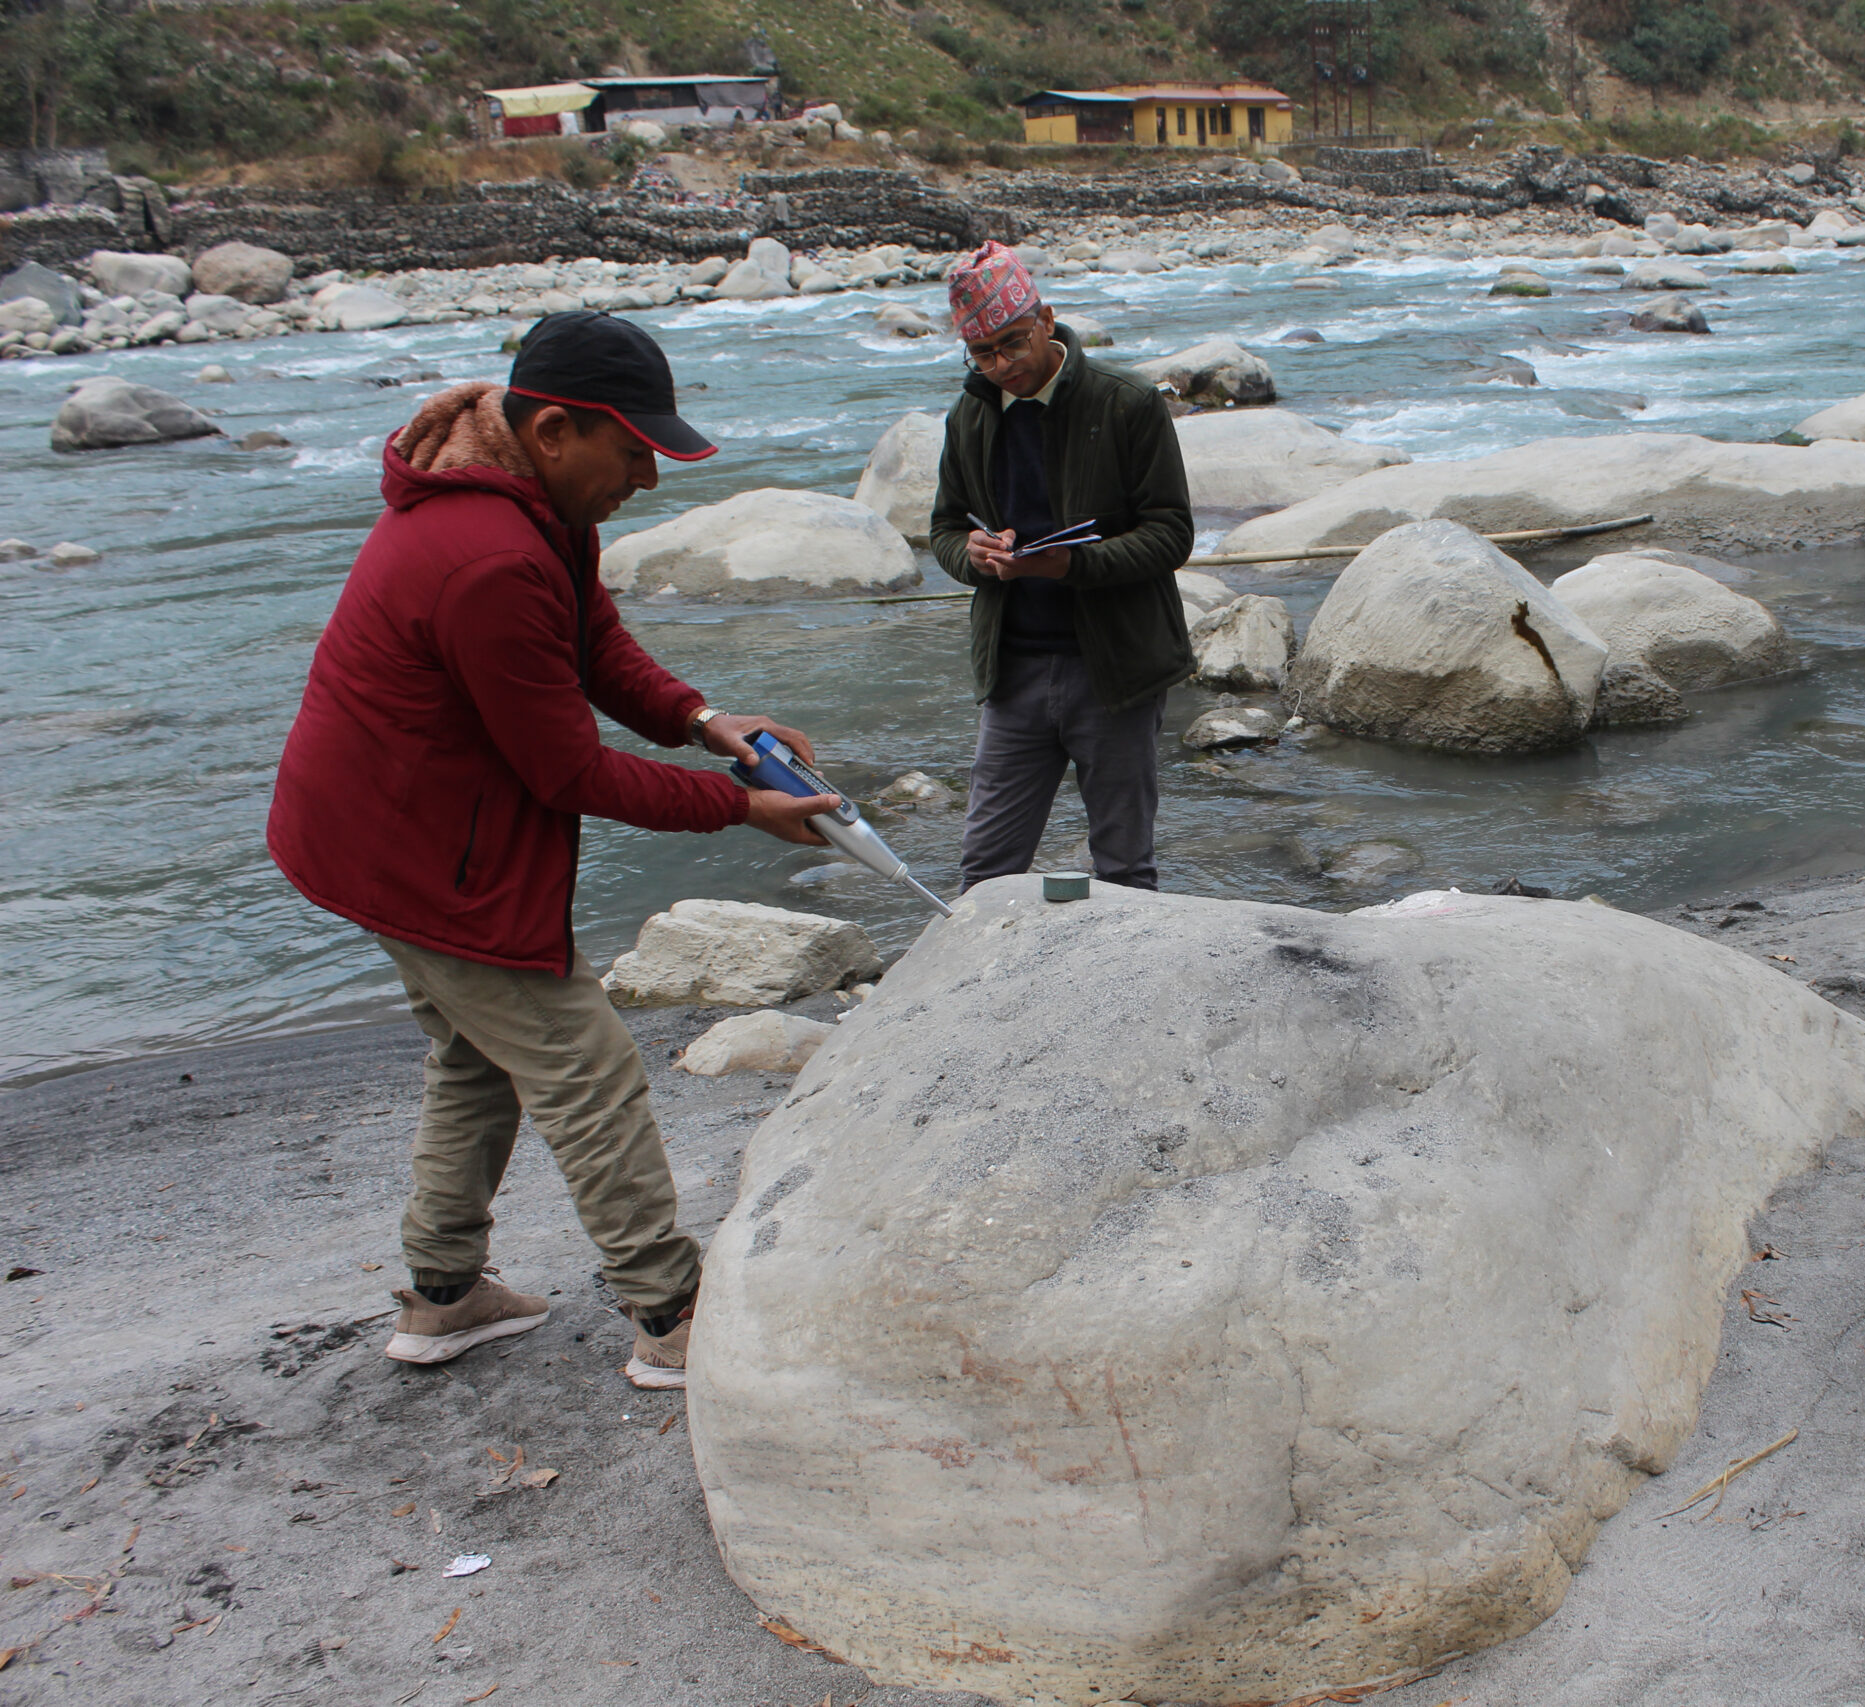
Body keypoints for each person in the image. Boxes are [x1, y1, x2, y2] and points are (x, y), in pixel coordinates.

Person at [267, 311, 843, 1387]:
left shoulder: (530, 507)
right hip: (418, 852)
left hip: (384, 831)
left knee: (478, 1058)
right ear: (555, 432)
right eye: (633, 453)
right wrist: (737, 808)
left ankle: (443, 1297)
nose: (648, 479)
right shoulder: (486, 557)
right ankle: (673, 1316)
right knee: (587, 1066)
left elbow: (593, 643)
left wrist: (705, 721)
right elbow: (567, 774)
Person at [927, 242, 1195, 892]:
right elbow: (945, 527)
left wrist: (1069, 564)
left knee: (1124, 866)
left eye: (1013, 344)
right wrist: (974, 554)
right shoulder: (969, 415)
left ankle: (1129, 990)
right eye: (983, 353)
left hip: (1115, 671)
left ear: (1046, 319)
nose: (1001, 365)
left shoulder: (1126, 402)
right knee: (986, 868)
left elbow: (1171, 534)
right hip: (1012, 673)